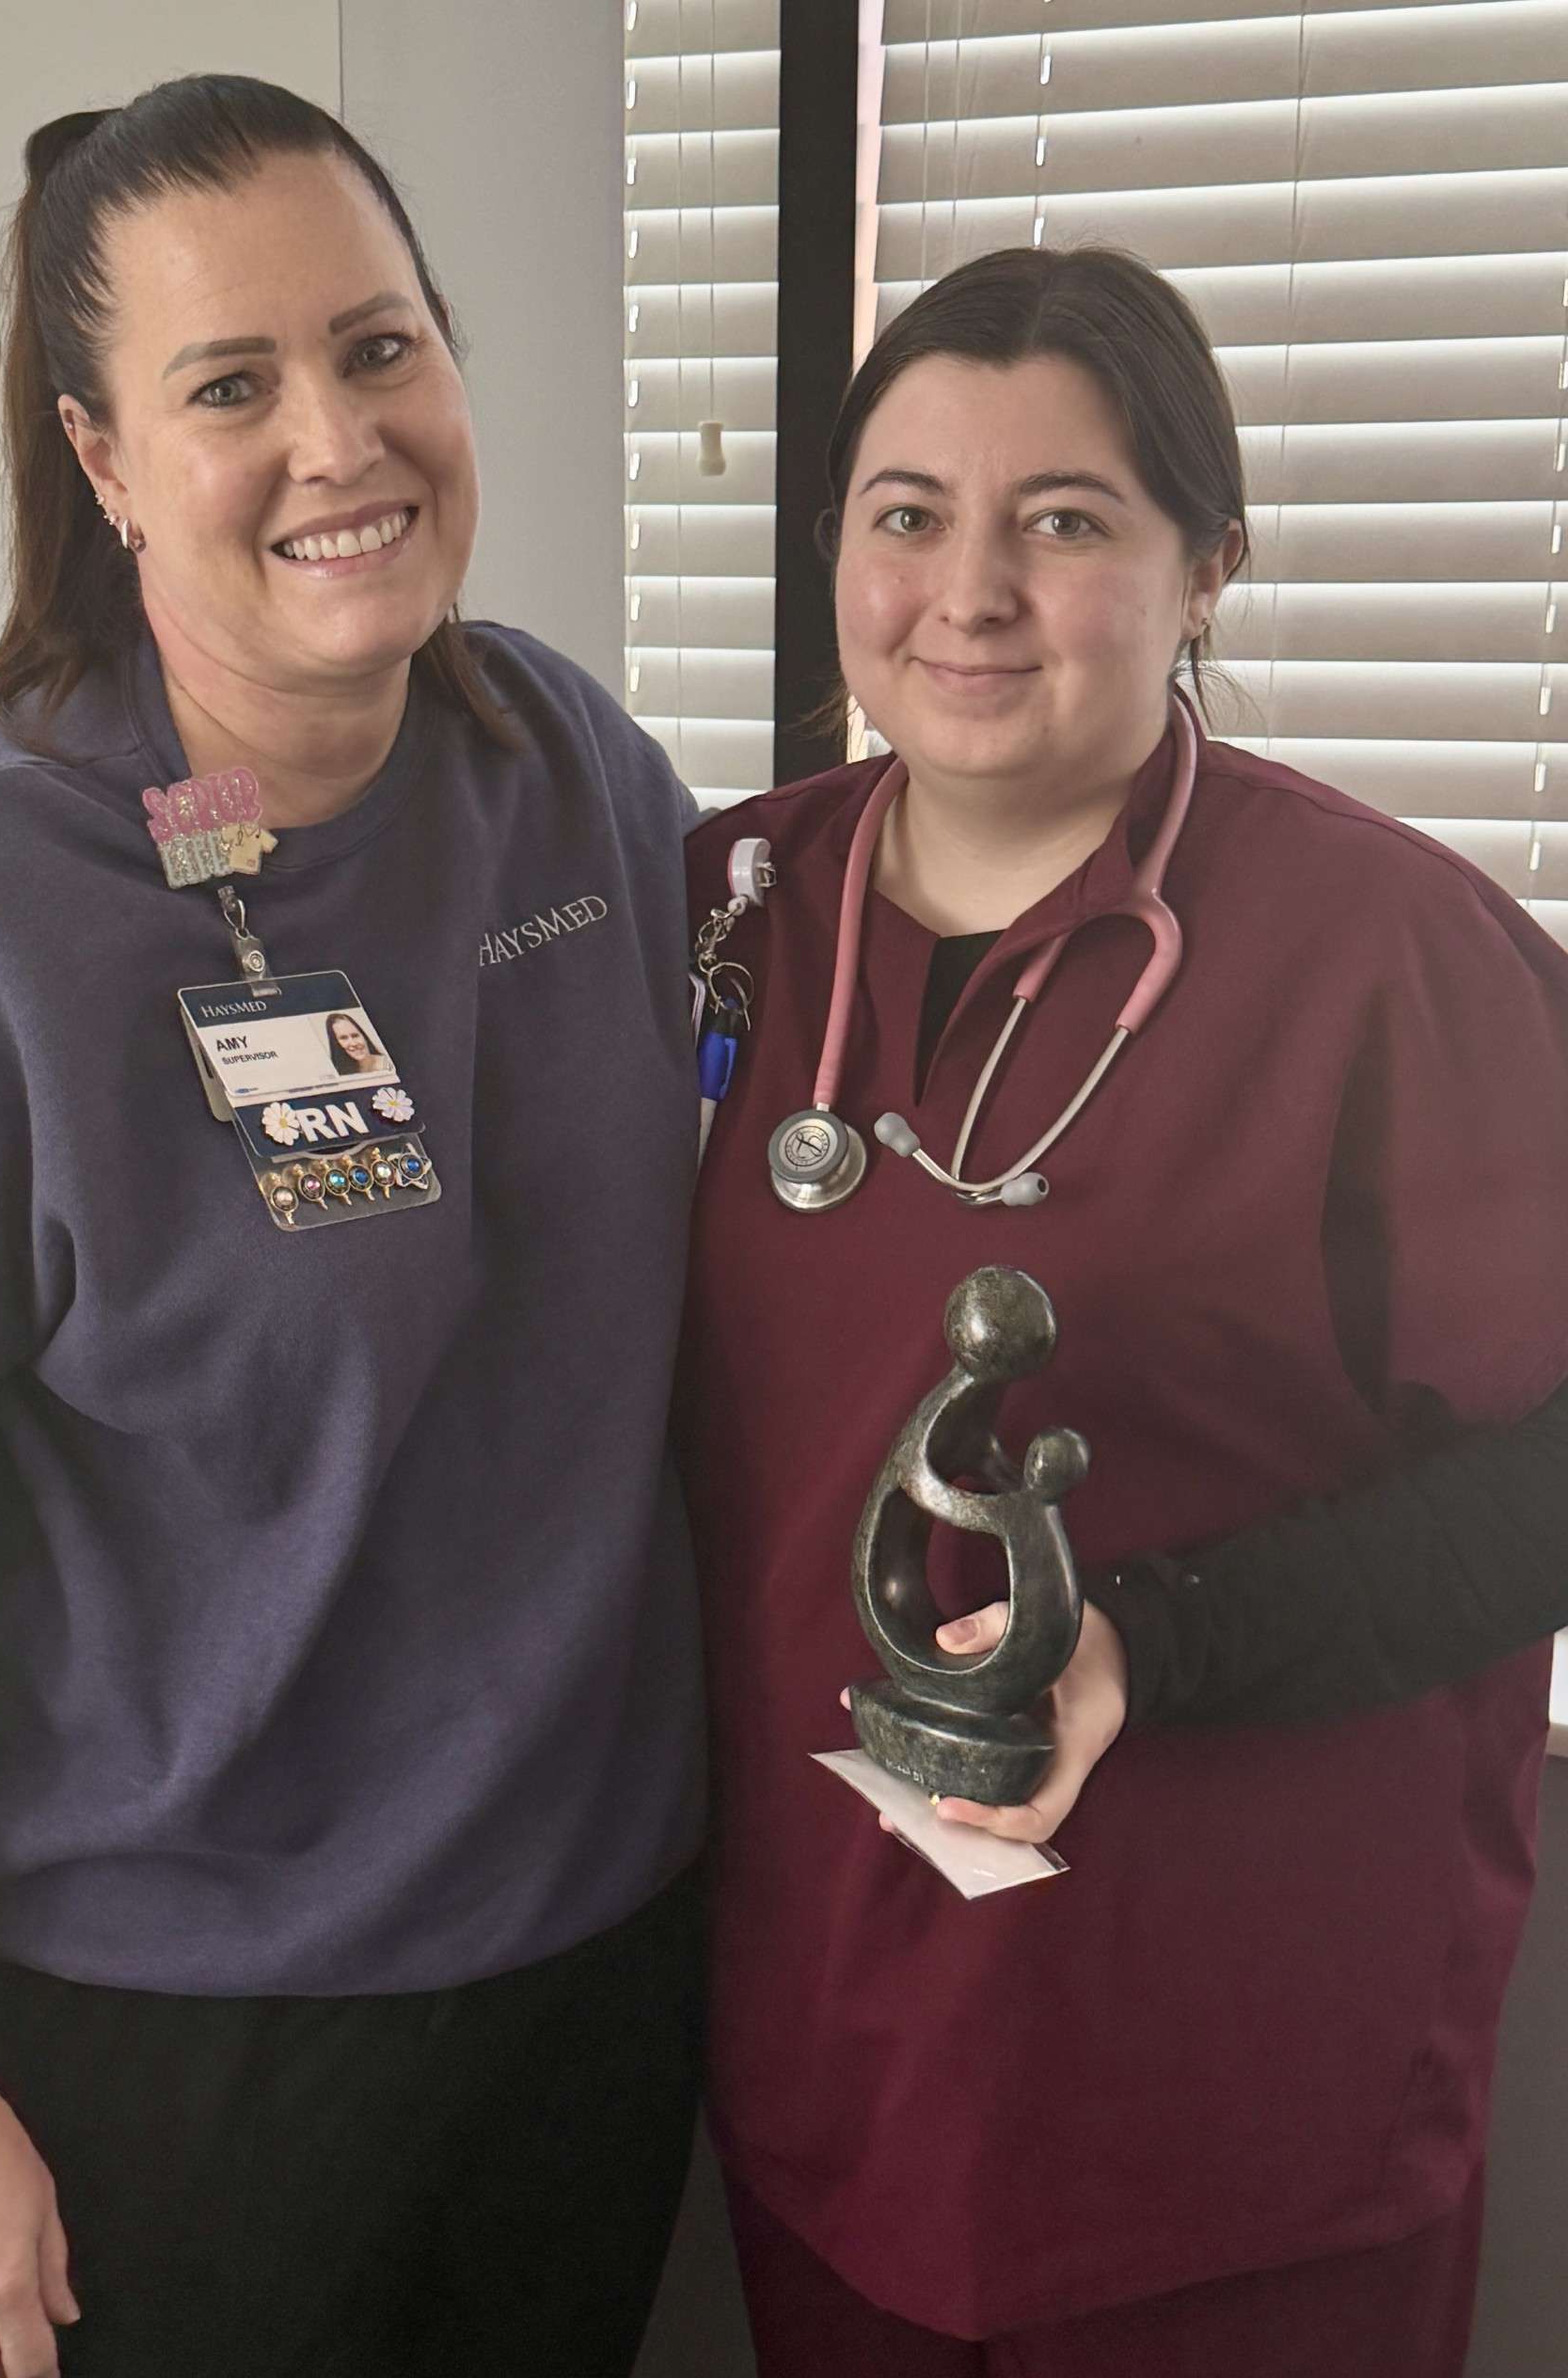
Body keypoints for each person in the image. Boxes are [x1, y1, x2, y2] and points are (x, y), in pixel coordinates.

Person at [0, 77, 704, 2378]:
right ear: (101, 462)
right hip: (151, 2041)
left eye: (381, 347)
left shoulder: (567, 770)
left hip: (589, 1966)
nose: (337, 437)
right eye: (229, 385)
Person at [676, 246, 1568, 2377]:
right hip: (841, 2051)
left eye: (1061, 521)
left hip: (1237, 2106)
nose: (966, 590)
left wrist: (1143, 1644)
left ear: (1206, 566)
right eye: (905, 515)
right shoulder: (727, 910)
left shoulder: (1386, 955)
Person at [327, 1007, 393, 1077]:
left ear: (364, 1037)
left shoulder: (389, 1064)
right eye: (344, 1038)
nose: (353, 1043)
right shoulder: (337, 1073)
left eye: (355, 1036)